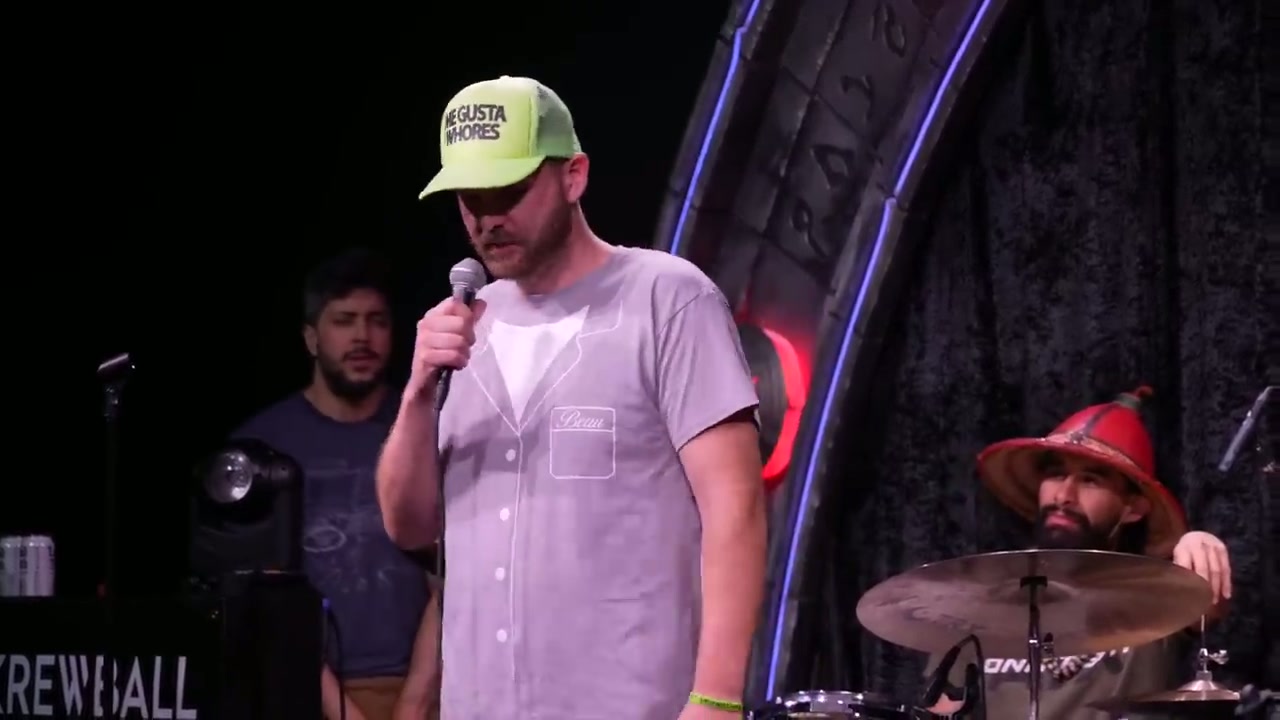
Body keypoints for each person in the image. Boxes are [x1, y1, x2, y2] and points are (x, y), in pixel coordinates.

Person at [376, 76, 768, 720]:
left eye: (509, 192)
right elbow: (410, 526)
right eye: (471, 199)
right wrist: (418, 392)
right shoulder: (463, 328)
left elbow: (736, 507)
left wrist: (716, 696)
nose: (488, 219)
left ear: (573, 176)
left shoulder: (667, 299)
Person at [925, 387, 1233, 720]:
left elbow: (1209, 606)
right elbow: (939, 710)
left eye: (1090, 480)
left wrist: (1197, 542)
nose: (1064, 495)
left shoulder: (1155, 593)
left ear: (1133, 508)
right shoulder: (978, 599)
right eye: (1056, 474)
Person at [233, 248, 441, 720]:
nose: (362, 336)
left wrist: (413, 705)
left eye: (377, 321)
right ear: (311, 338)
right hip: (301, 692)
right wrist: (343, 711)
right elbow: (267, 604)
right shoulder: (261, 448)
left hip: (422, 692)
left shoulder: (424, 430)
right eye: (344, 321)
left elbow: (450, 583)